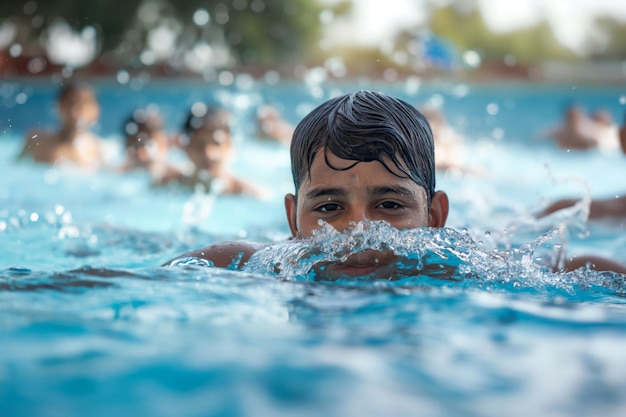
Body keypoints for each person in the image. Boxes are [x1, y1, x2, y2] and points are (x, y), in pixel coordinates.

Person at [164, 91, 625, 276]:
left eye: (388, 205)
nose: (357, 229)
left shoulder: (467, 268)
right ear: (292, 218)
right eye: (328, 208)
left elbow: (571, 267)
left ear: (436, 215)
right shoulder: (254, 266)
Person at [159, 103, 262, 196]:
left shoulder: (247, 193)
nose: (208, 153)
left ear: (230, 146)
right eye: (199, 145)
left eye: (217, 144)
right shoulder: (168, 183)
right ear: (186, 148)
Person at [17, 80, 106, 169]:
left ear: (97, 109)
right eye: (71, 104)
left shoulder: (98, 150)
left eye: (85, 104)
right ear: (58, 106)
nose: (78, 110)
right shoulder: (37, 139)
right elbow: (15, 167)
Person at [116, 107, 183, 182]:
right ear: (126, 147)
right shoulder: (116, 174)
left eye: (149, 145)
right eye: (136, 146)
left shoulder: (178, 173)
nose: (141, 155)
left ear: (165, 144)